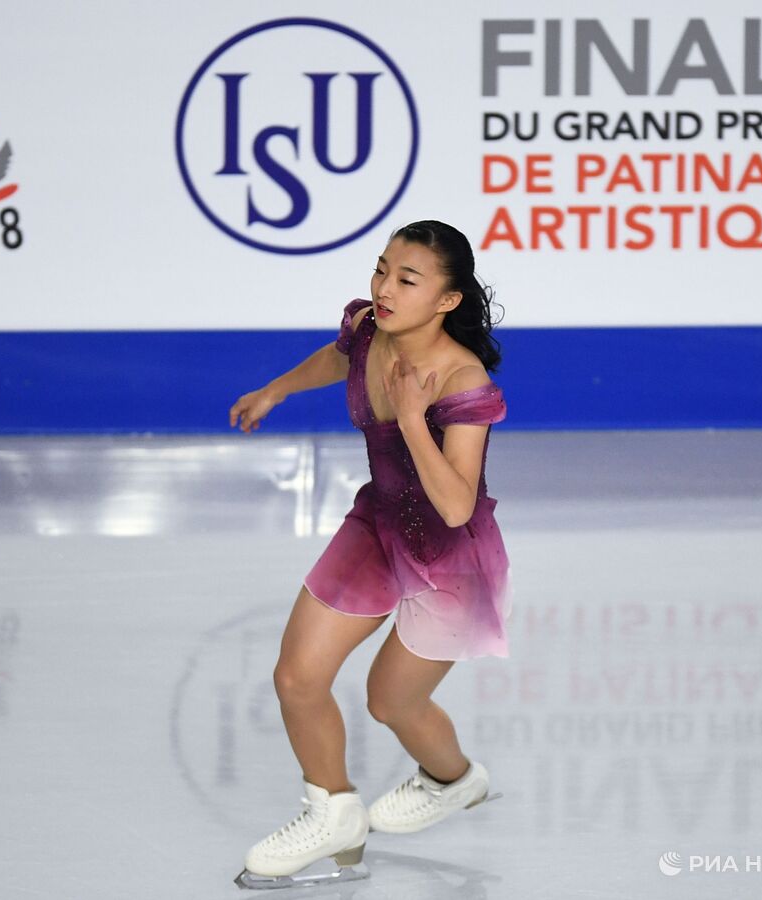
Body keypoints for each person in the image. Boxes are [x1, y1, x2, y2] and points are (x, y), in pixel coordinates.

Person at [228, 220, 511, 889]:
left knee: (390, 703)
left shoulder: (464, 382)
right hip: (375, 527)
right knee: (297, 677)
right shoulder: (366, 327)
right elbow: (340, 357)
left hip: (448, 560)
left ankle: (455, 779)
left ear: (447, 300)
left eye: (406, 280)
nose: (383, 288)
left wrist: (414, 419)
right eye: (381, 269)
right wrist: (278, 388)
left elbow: (455, 508)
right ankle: (332, 814)